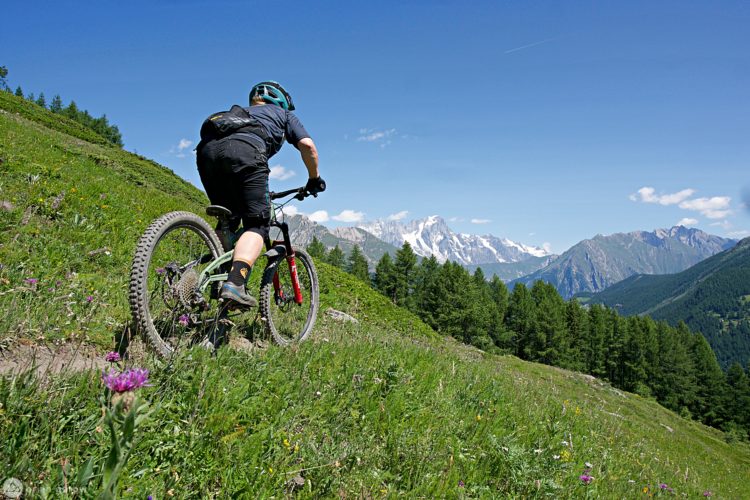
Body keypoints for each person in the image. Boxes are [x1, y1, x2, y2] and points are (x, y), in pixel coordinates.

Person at [196, 81, 325, 308]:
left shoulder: (239, 114)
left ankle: (219, 277)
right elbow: (308, 146)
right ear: (281, 101)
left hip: (206, 153)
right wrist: (314, 179)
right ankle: (235, 283)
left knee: (229, 218)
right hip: (246, 151)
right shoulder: (283, 114)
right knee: (257, 224)